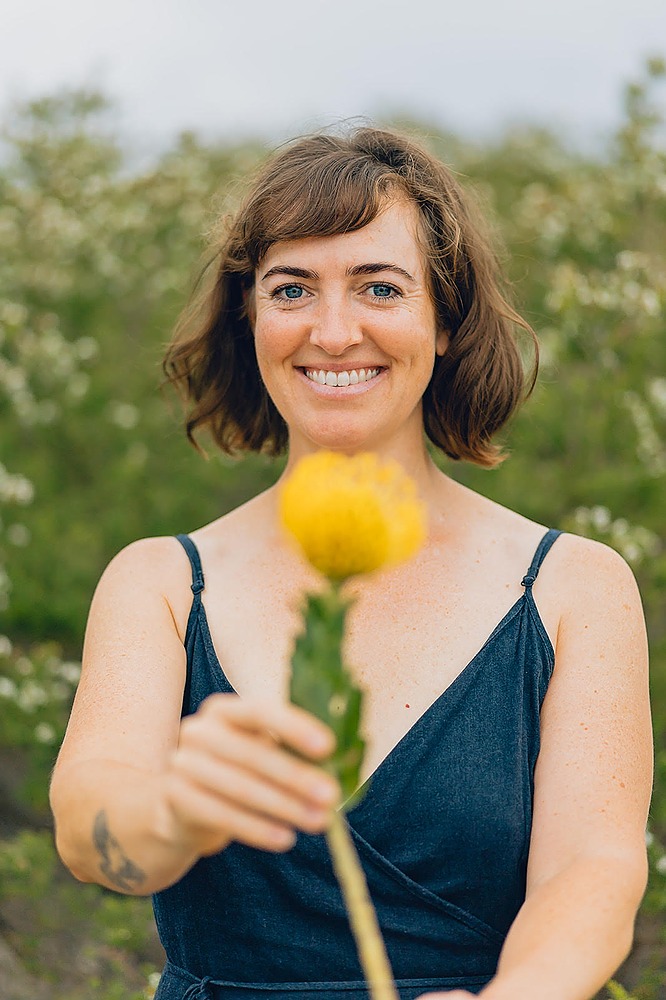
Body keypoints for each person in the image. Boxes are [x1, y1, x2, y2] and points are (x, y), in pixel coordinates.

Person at [49, 127, 653, 1000]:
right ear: (251, 316)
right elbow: (86, 830)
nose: (334, 333)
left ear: (444, 322)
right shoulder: (160, 583)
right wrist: (173, 810)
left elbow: (593, 870)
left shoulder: (576, 587)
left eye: (379, 287)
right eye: (291, 289)